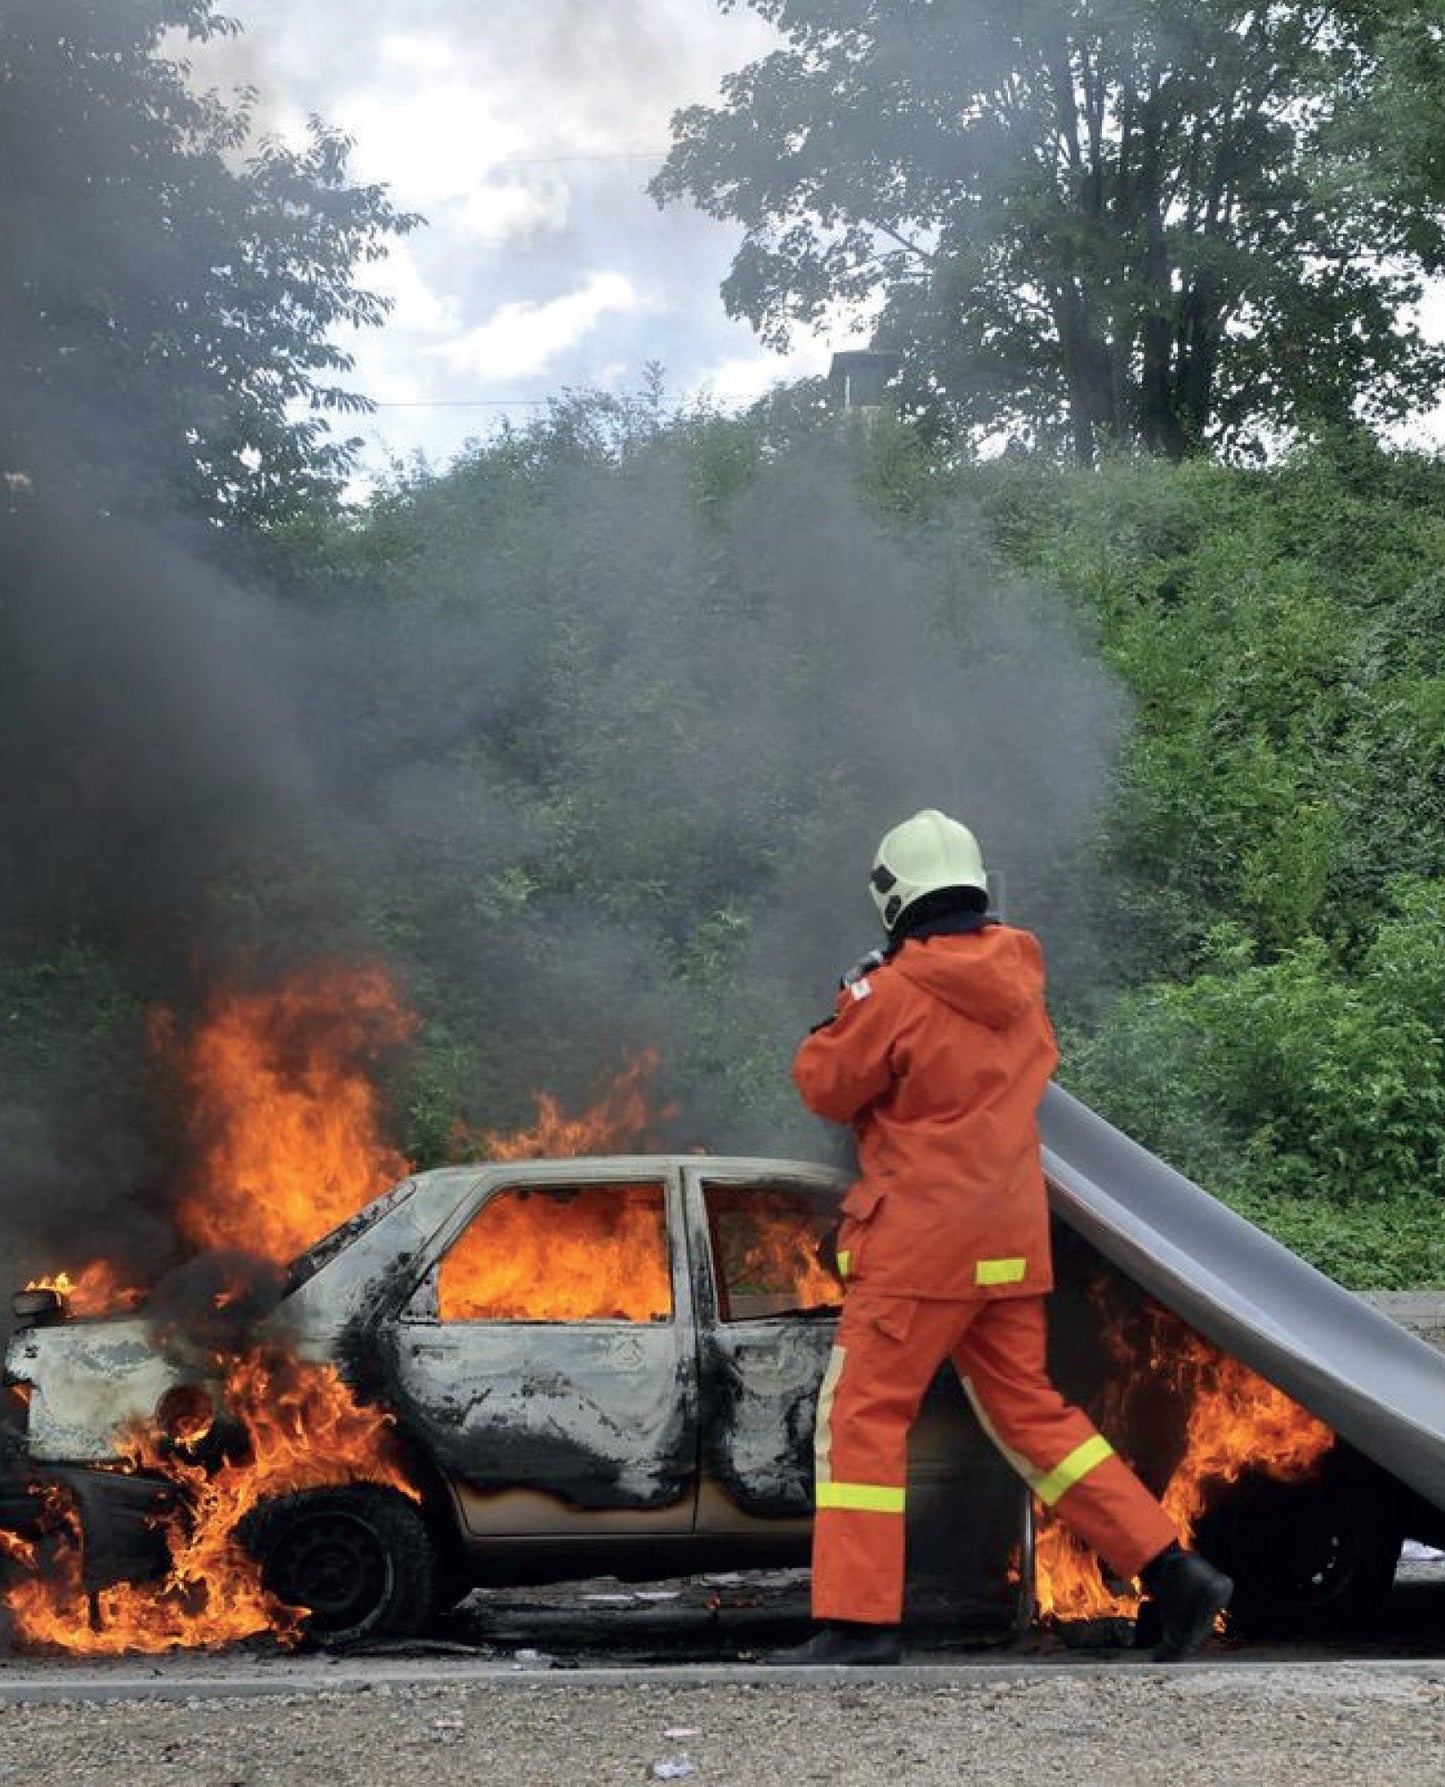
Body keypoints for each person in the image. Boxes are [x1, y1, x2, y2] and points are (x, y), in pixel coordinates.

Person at [767, 808, 1232, 1667]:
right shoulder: (1021, 976)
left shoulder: (892, 990)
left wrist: (842, 1001)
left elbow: (825, 1085)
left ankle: (858, 1624)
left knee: (861, 1418)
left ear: (892, 895)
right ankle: (1172, 1571)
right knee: (1033, 1418)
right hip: (1008, 1241)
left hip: (916, 1245)